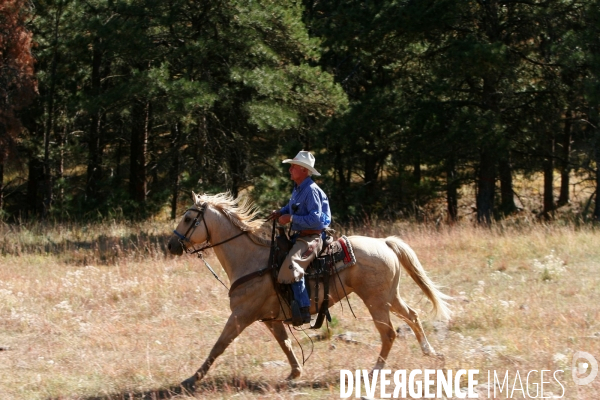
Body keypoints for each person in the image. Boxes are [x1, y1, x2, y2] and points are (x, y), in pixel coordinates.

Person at [269, 150, 331, 326]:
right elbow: (292, 206)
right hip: (302, 235)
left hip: (313, 236)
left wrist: (290, 218)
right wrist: (281, 212)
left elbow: (317, 220)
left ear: (304, 170)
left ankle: (304, 309)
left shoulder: (311, 191)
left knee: (293, 262)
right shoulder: (298, 188)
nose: (290, 170)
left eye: (293, 167)